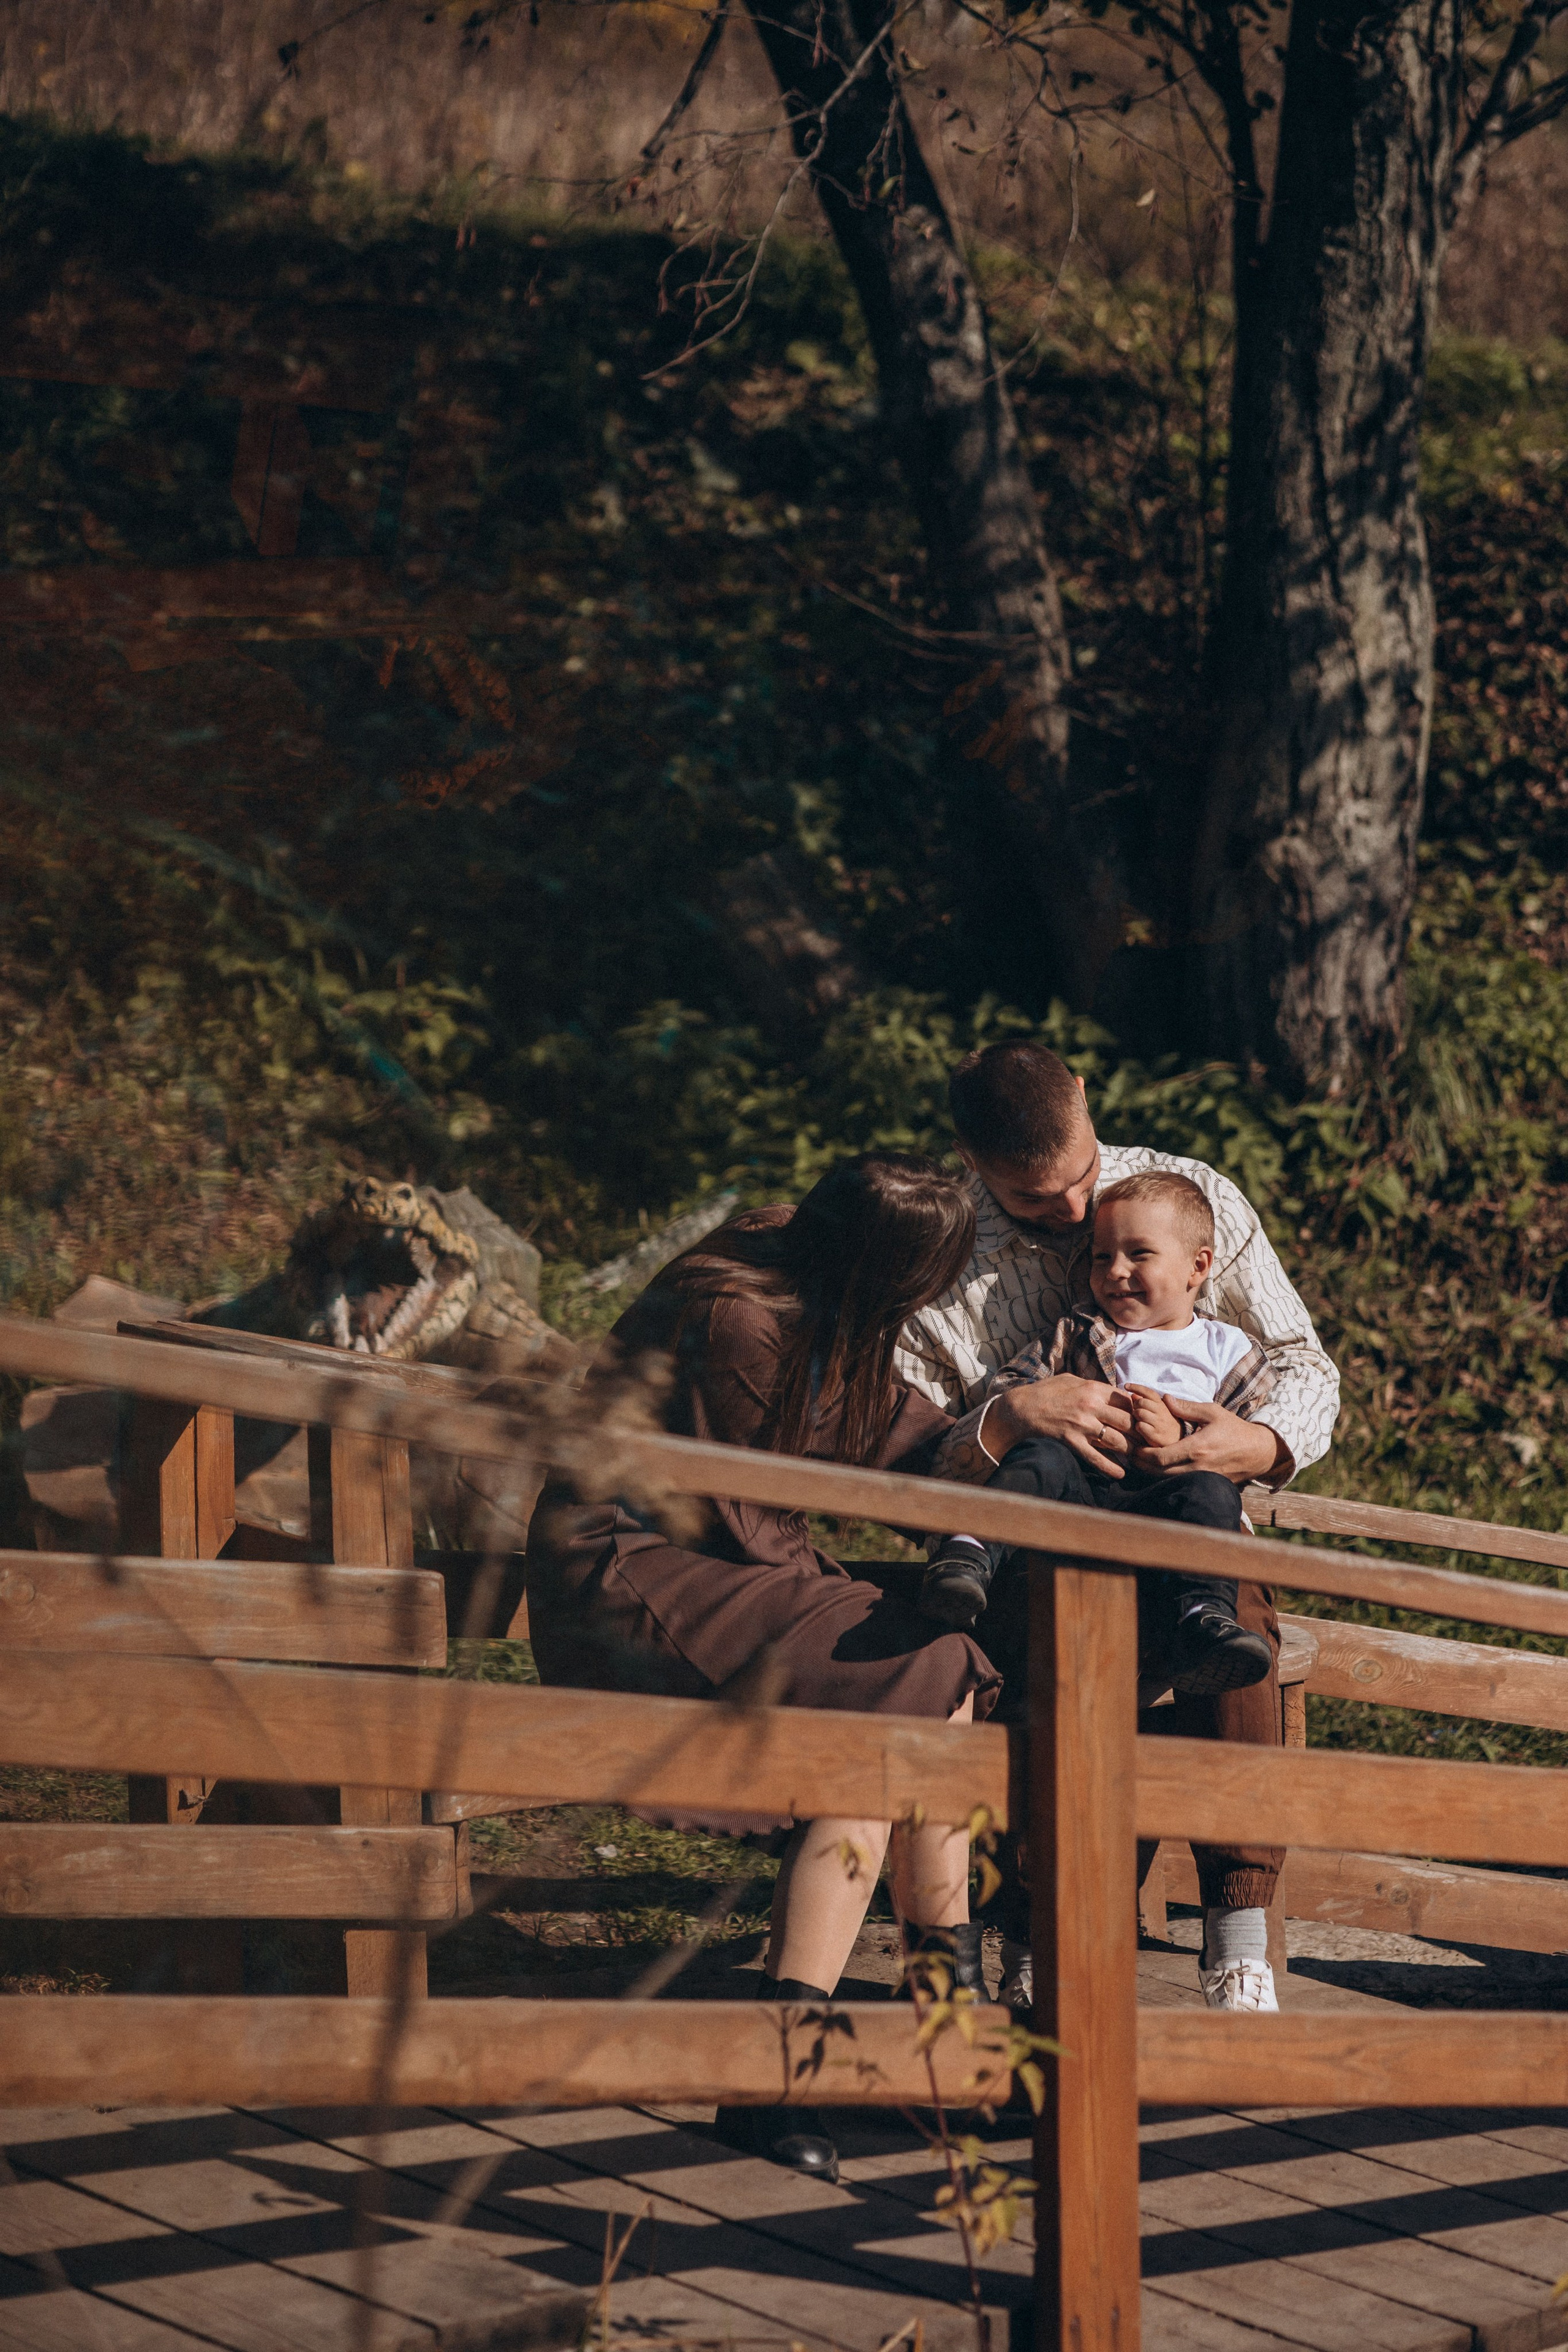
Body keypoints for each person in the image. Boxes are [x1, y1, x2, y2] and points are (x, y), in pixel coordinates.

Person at [526, 1153, 1001, 2184]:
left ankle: (902, 2046)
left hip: (726, 1556)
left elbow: (862, 1419)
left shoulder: (800, 1261)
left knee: (927, 1677)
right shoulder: (737, 1312)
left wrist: (995, 1434)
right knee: (913, 1679)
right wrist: (976, 1443)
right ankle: (877, 2053)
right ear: (891, 1272)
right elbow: (780, 1478)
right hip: (636, 1567)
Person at [897, 1041, 1341, 2016]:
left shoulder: (1192, 1195)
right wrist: (1007, 1421)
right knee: (1047, 1649)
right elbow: (906, 1450)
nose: (1072, 1219)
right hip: (1033, 1526)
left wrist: (1253, 1442)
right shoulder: (940, 1257)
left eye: (1079, 1181)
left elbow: (1303, 1360)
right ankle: (1035, 1921)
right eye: (1035, 1201)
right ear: (972, 1164)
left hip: (1188, 1507)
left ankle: (1237, 1936)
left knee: (1238, 1633)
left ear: (1088, 1099)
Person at [919, 1169, 1277, 1700]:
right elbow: (1014, 1389)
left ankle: (1202, 1618)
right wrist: (1041, 1403)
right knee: (1041, 1455)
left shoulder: (1230, 1352)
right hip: (1076, 1496)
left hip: (1163, 1506)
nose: (1116, 1272)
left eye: (1139, 1255)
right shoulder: (1078, 1330)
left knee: (1212, 1492)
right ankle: (971, 1553)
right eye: (1102, 1256)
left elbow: (1243, 1432)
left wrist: (1179, 1433)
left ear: (1198, 1267)